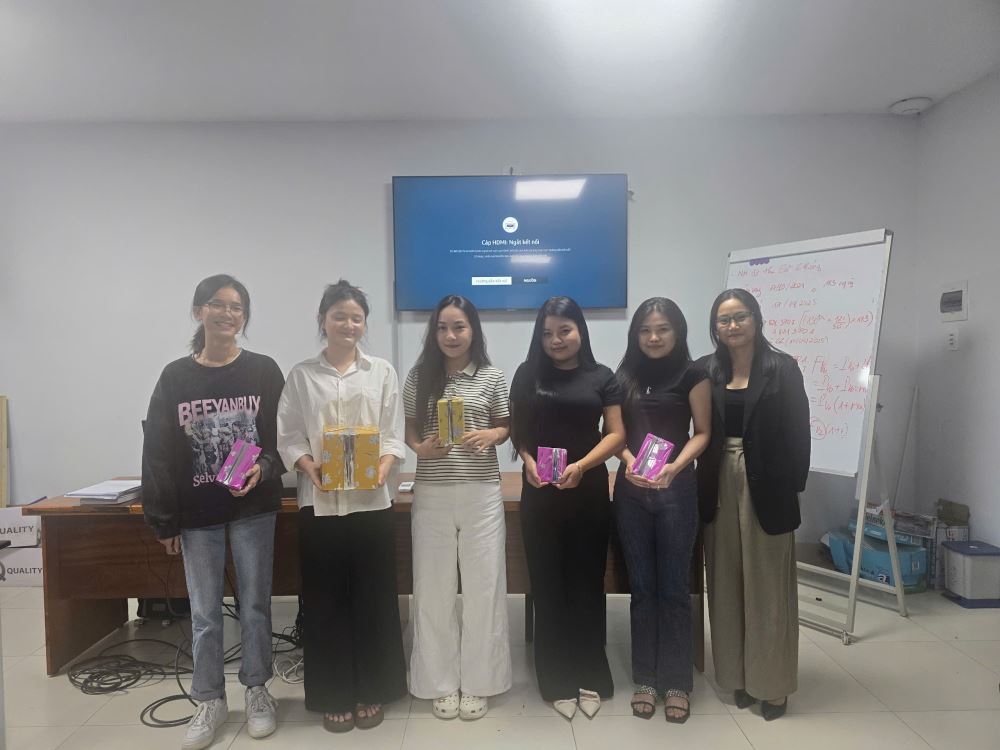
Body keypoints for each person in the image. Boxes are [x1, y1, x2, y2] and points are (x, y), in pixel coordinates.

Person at [142, 274, 285, 750]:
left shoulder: (263, 370)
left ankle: (257, 689)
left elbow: (284, 440)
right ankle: (209, 699)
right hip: (197, 512)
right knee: (204, 613)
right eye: (218, 304)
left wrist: (264, 468)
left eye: (237, 307)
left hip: (254, 507)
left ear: (244, 316)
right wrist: (163, 519)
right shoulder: (175, 377)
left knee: (255, 605)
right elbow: (158, 451)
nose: (228, 313)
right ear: (198, 311)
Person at [276, 280, 407, 733]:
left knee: (374, 598)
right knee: (326, 601)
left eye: (356, 318)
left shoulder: (381, 371)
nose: (348, 325)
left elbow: (393, 433)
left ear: (364, 324)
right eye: (339, 316)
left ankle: (374, 688)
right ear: (323, 320)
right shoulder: (301, 376)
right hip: (321, 503)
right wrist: (306, 464)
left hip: (371, 502)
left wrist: (384, 463)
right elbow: (289, 435)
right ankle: (333, 694)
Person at [509, 296, 626, 720]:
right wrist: (527, 463)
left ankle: (591, 672)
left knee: (586, 583)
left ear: (580, 330)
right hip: (541, 492)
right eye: (547, 333)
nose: (556, 340)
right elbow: (519, 432)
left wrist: (582, 466)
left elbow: (616, 434)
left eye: (564, 330)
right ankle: (555, 676)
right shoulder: (527, 374)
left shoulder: (602, 376)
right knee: (548, 584)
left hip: (588, 490)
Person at [696, 288, 810, 721]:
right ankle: (739, 677)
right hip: (717, 479)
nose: (732, 326)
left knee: (767, 587)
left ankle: (773, 685)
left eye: (740, 316)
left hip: (769, 485)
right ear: (715, 327)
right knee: (725, 581)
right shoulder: (706, 369)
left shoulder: (782, 368)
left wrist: (790, 487)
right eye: (724, 320)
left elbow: (799, 433)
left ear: (756, 318)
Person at [403, 295, 512, 720]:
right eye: (443, 327)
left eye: (459, 327)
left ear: (473, 331)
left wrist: (491, 435)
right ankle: (439, 682)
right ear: (434, 332)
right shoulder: (419, 376)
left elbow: (505, 425)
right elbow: (410, 430)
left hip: (481, 493)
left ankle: (481, 682)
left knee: (485, 588)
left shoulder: (491, 375)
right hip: (432, 492)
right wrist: (420, 449)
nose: (451, 335)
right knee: (432, 588)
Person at [614, 297, 710, 723]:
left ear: (678, 332)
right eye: (645, 330)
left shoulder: (693, 374)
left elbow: (702, 432)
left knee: (673, 588)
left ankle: (676, 681)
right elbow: (614, 435)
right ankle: (645, 678)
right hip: (632, 492)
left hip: (677, 490)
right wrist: (629, 463)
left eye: (662, 329)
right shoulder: (623, 376)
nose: (653, 337)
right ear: (636, 334)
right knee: (641, 588)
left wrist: (675, 466)